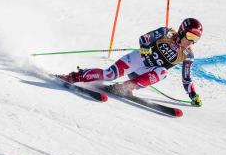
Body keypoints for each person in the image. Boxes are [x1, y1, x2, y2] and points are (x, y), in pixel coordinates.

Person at [61, 17, 203, 106]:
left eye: (195, 39)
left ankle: (125, 88)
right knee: (109, 75)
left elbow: (187, 78)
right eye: (190, 36)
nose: (191, 41)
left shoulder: (188, 54)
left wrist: (193, 95)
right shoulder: (166, 33)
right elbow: (144, 38)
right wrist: (146, 48)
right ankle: (73, 77)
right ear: (182, 30)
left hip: (143, 74)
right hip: (139, 59)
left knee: (163, 72)